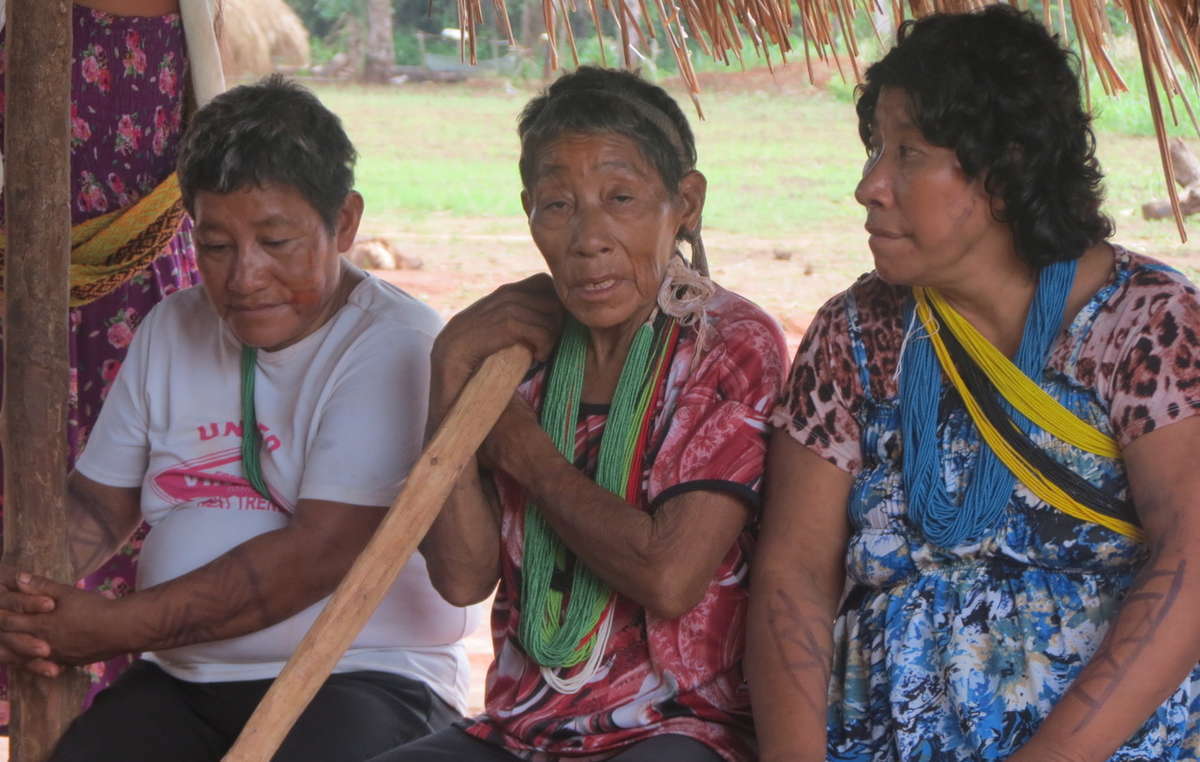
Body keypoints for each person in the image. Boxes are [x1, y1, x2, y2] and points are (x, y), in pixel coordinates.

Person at [748, 6, 1200, 761]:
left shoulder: (1144, 324)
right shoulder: (855, 336)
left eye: (908, 154)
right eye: (874, 150)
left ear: (1005, 167)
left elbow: (1191, 556)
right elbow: (792, 576)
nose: (870, 185)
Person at [0, 76, 479, 761]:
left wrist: (111, 626)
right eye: (216, 245)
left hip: (362, 677)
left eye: (276, 241)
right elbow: (99, 508)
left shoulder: (394, 343)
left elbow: (315, 556)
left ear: (344, 222)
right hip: (185, 680)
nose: (243, 276)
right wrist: (26, 602)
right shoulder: (173, 327)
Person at [369, 67, 788, 762]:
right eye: (557, 206)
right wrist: (449, 370)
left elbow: (669, 577)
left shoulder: (729, 343)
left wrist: (523, 452)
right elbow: (462, 579)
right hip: (521, 731)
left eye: (620, 198)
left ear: (684, 202)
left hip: (679, 729)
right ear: (528, 211)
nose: (588, 237)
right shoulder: (518, 353)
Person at [0, 0, 224, 717]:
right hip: (22, 290)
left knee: (139, 492)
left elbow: (220, 140)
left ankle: (119, 697)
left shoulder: (196, 13)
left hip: (144, 298)